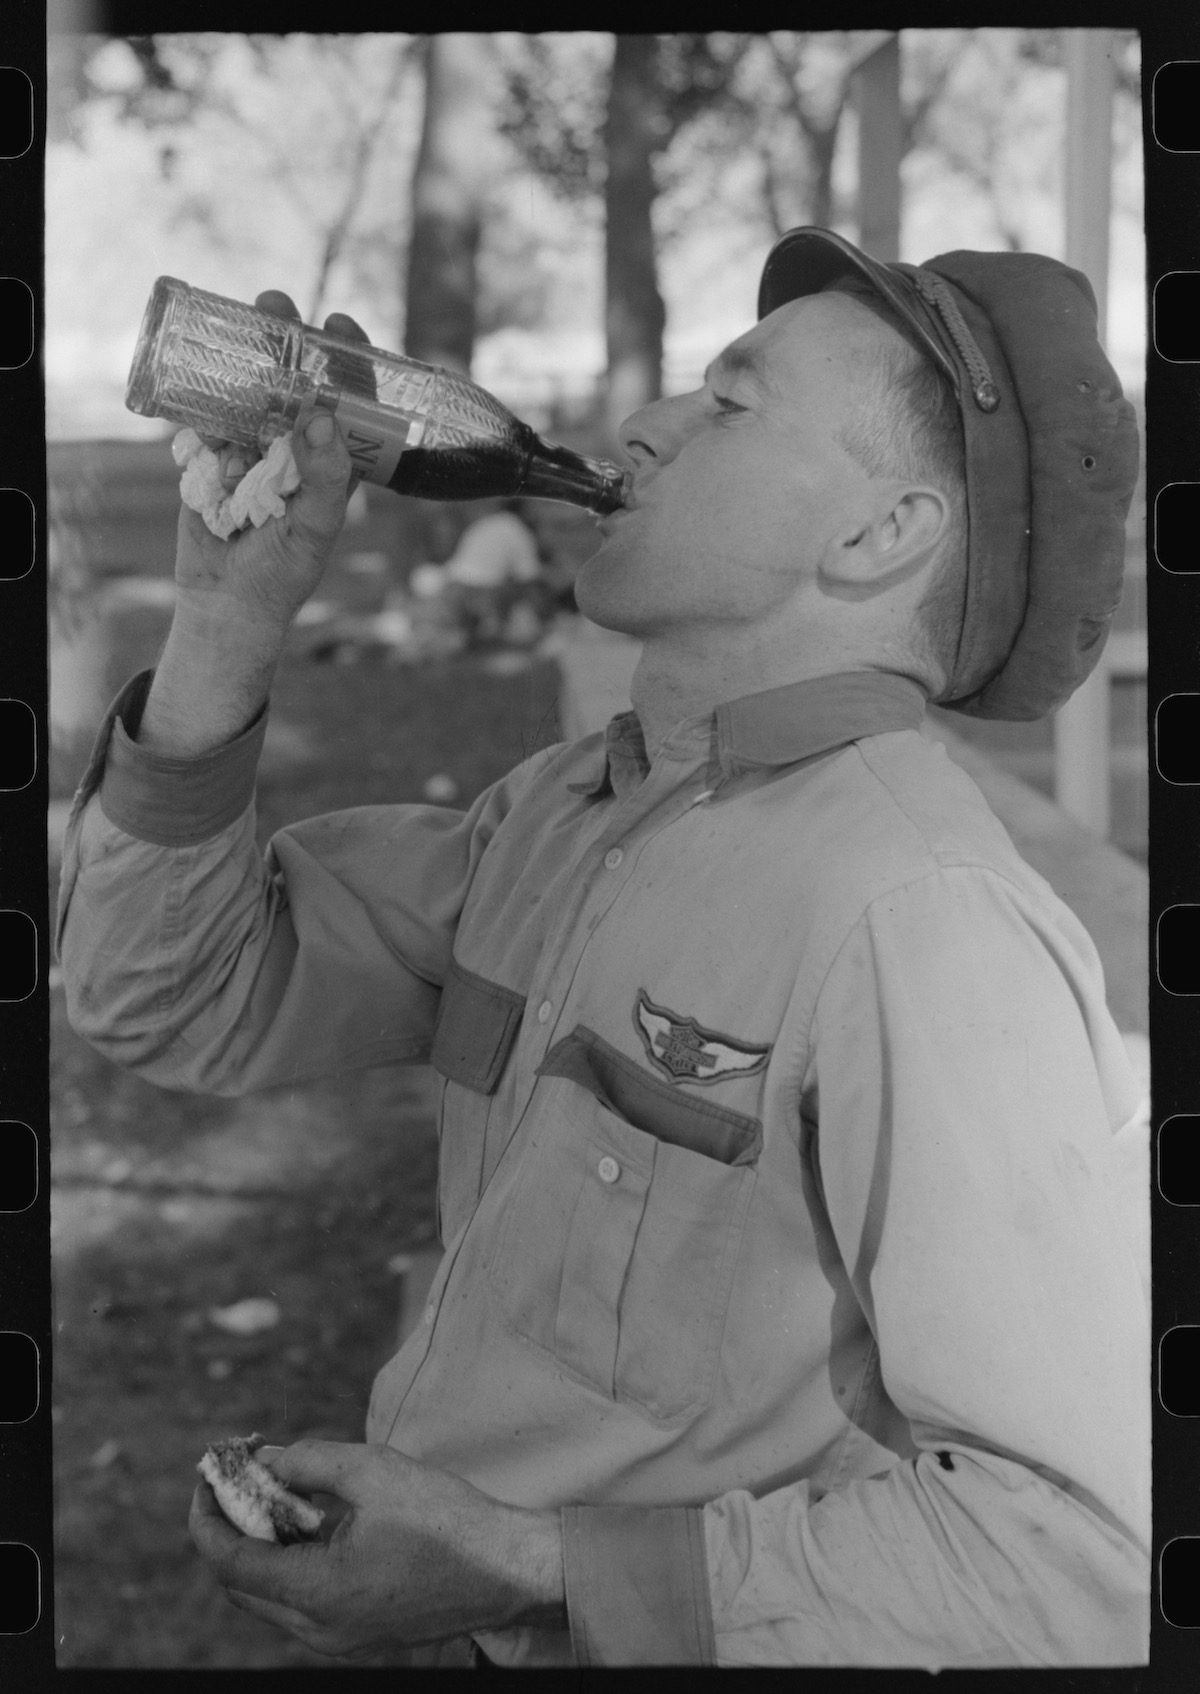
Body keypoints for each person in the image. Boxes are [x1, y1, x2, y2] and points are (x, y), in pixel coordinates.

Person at [56, 228, 1148, 1669]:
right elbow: (166, 997)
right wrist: (225, 619)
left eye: (731, 399)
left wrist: (519, 1569)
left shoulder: (923, 920)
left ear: (881, 534)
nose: (644, 424)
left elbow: (1078, 1552)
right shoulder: (563, 812)